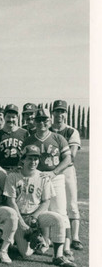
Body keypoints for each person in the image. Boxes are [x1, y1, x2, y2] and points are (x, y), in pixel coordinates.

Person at [3, 145, 76, 267]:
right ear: (23, 159)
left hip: (36, 216)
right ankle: (30, 238)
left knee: (58, 219)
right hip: (19, 216)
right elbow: (11, 201)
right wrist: (22, 222)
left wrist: (34, 217)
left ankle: (58, 256)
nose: (33, 162)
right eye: (30, 158)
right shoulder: (13, 176)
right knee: (25, 254)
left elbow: (45, 202)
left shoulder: (43, 177)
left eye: (36, 159)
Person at [23, 107, 72, 257]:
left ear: (49, 121)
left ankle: (66, 247)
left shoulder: (58, 138)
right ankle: (44, 242)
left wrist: (54, 172)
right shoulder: (29, 140)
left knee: (60, 212)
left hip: (55, 177)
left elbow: (68, 159)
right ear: (34, 121)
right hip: (36, 178)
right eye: (38, 120)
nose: (41, 123)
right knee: (38, 211)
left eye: (44, 120)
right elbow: (23, 161)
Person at [50, 99, 83, 250]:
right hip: (51, 171)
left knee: (71, 204)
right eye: (57, 111)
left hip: (67, 170)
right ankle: (53, 236)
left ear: (66, 113)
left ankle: (75, 238)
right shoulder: (48, 129)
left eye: (62, 111)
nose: (59, 114)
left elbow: (72, 155)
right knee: (52, 205)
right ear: (53, 112)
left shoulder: (71, 131)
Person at [0, 104, 28, 171]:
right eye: (8, 117)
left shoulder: (24, 133)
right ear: (4, 117)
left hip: (20, 170)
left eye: (13, 117)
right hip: (2, 170)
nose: (11, 119)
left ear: (17, 118)